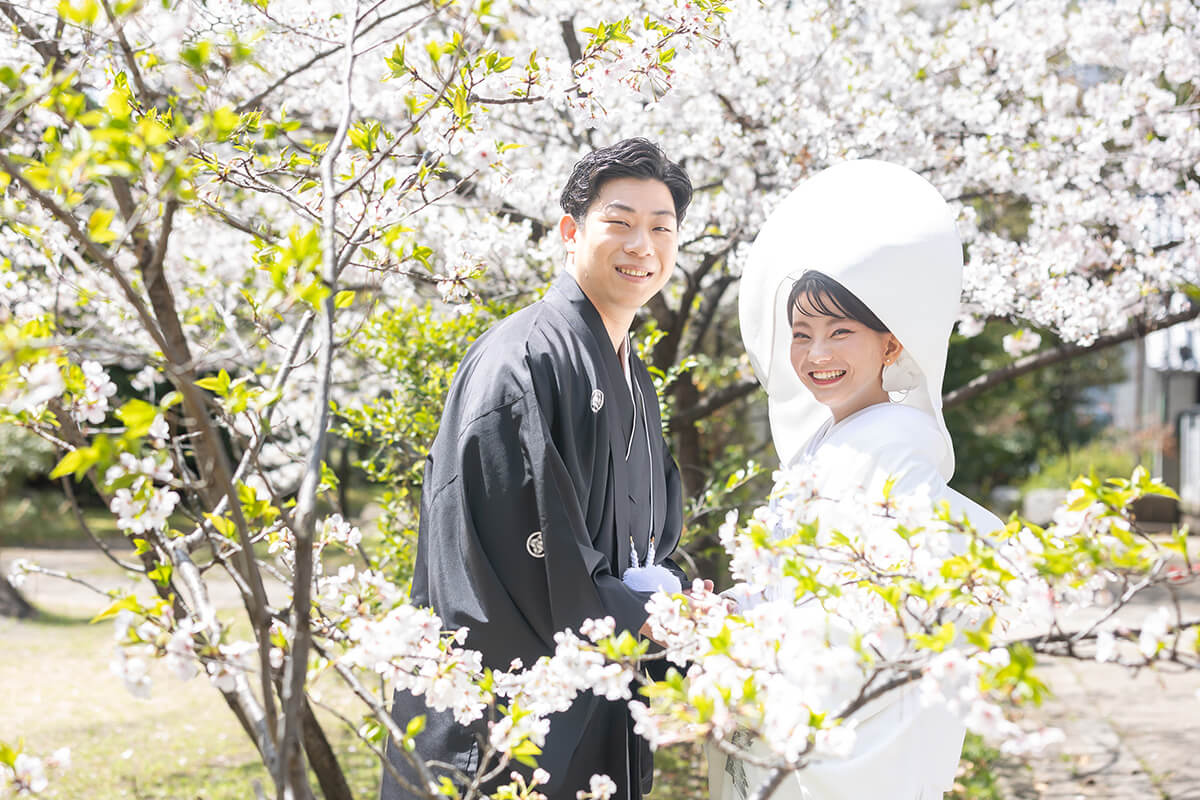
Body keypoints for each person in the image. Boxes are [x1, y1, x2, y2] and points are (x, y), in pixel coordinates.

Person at [381, 138, 695, 800]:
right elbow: (530, 555)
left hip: (599, 697)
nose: (642, 244)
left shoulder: (634, 377)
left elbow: (652, 536)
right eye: (621, 222)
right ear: (570, 231)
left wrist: (678, 593)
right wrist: (652, 614)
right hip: (505, 716)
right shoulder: (524, 362)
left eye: (661, 229)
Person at [710, 159, 1003, 800]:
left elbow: (882, 604)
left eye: (841, 332)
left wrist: (767, 634)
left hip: (841, 716)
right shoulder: (825, 437)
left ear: (890, 345)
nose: (818, 355)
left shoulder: (901, 444)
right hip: (784, 686)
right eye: (803, 334)